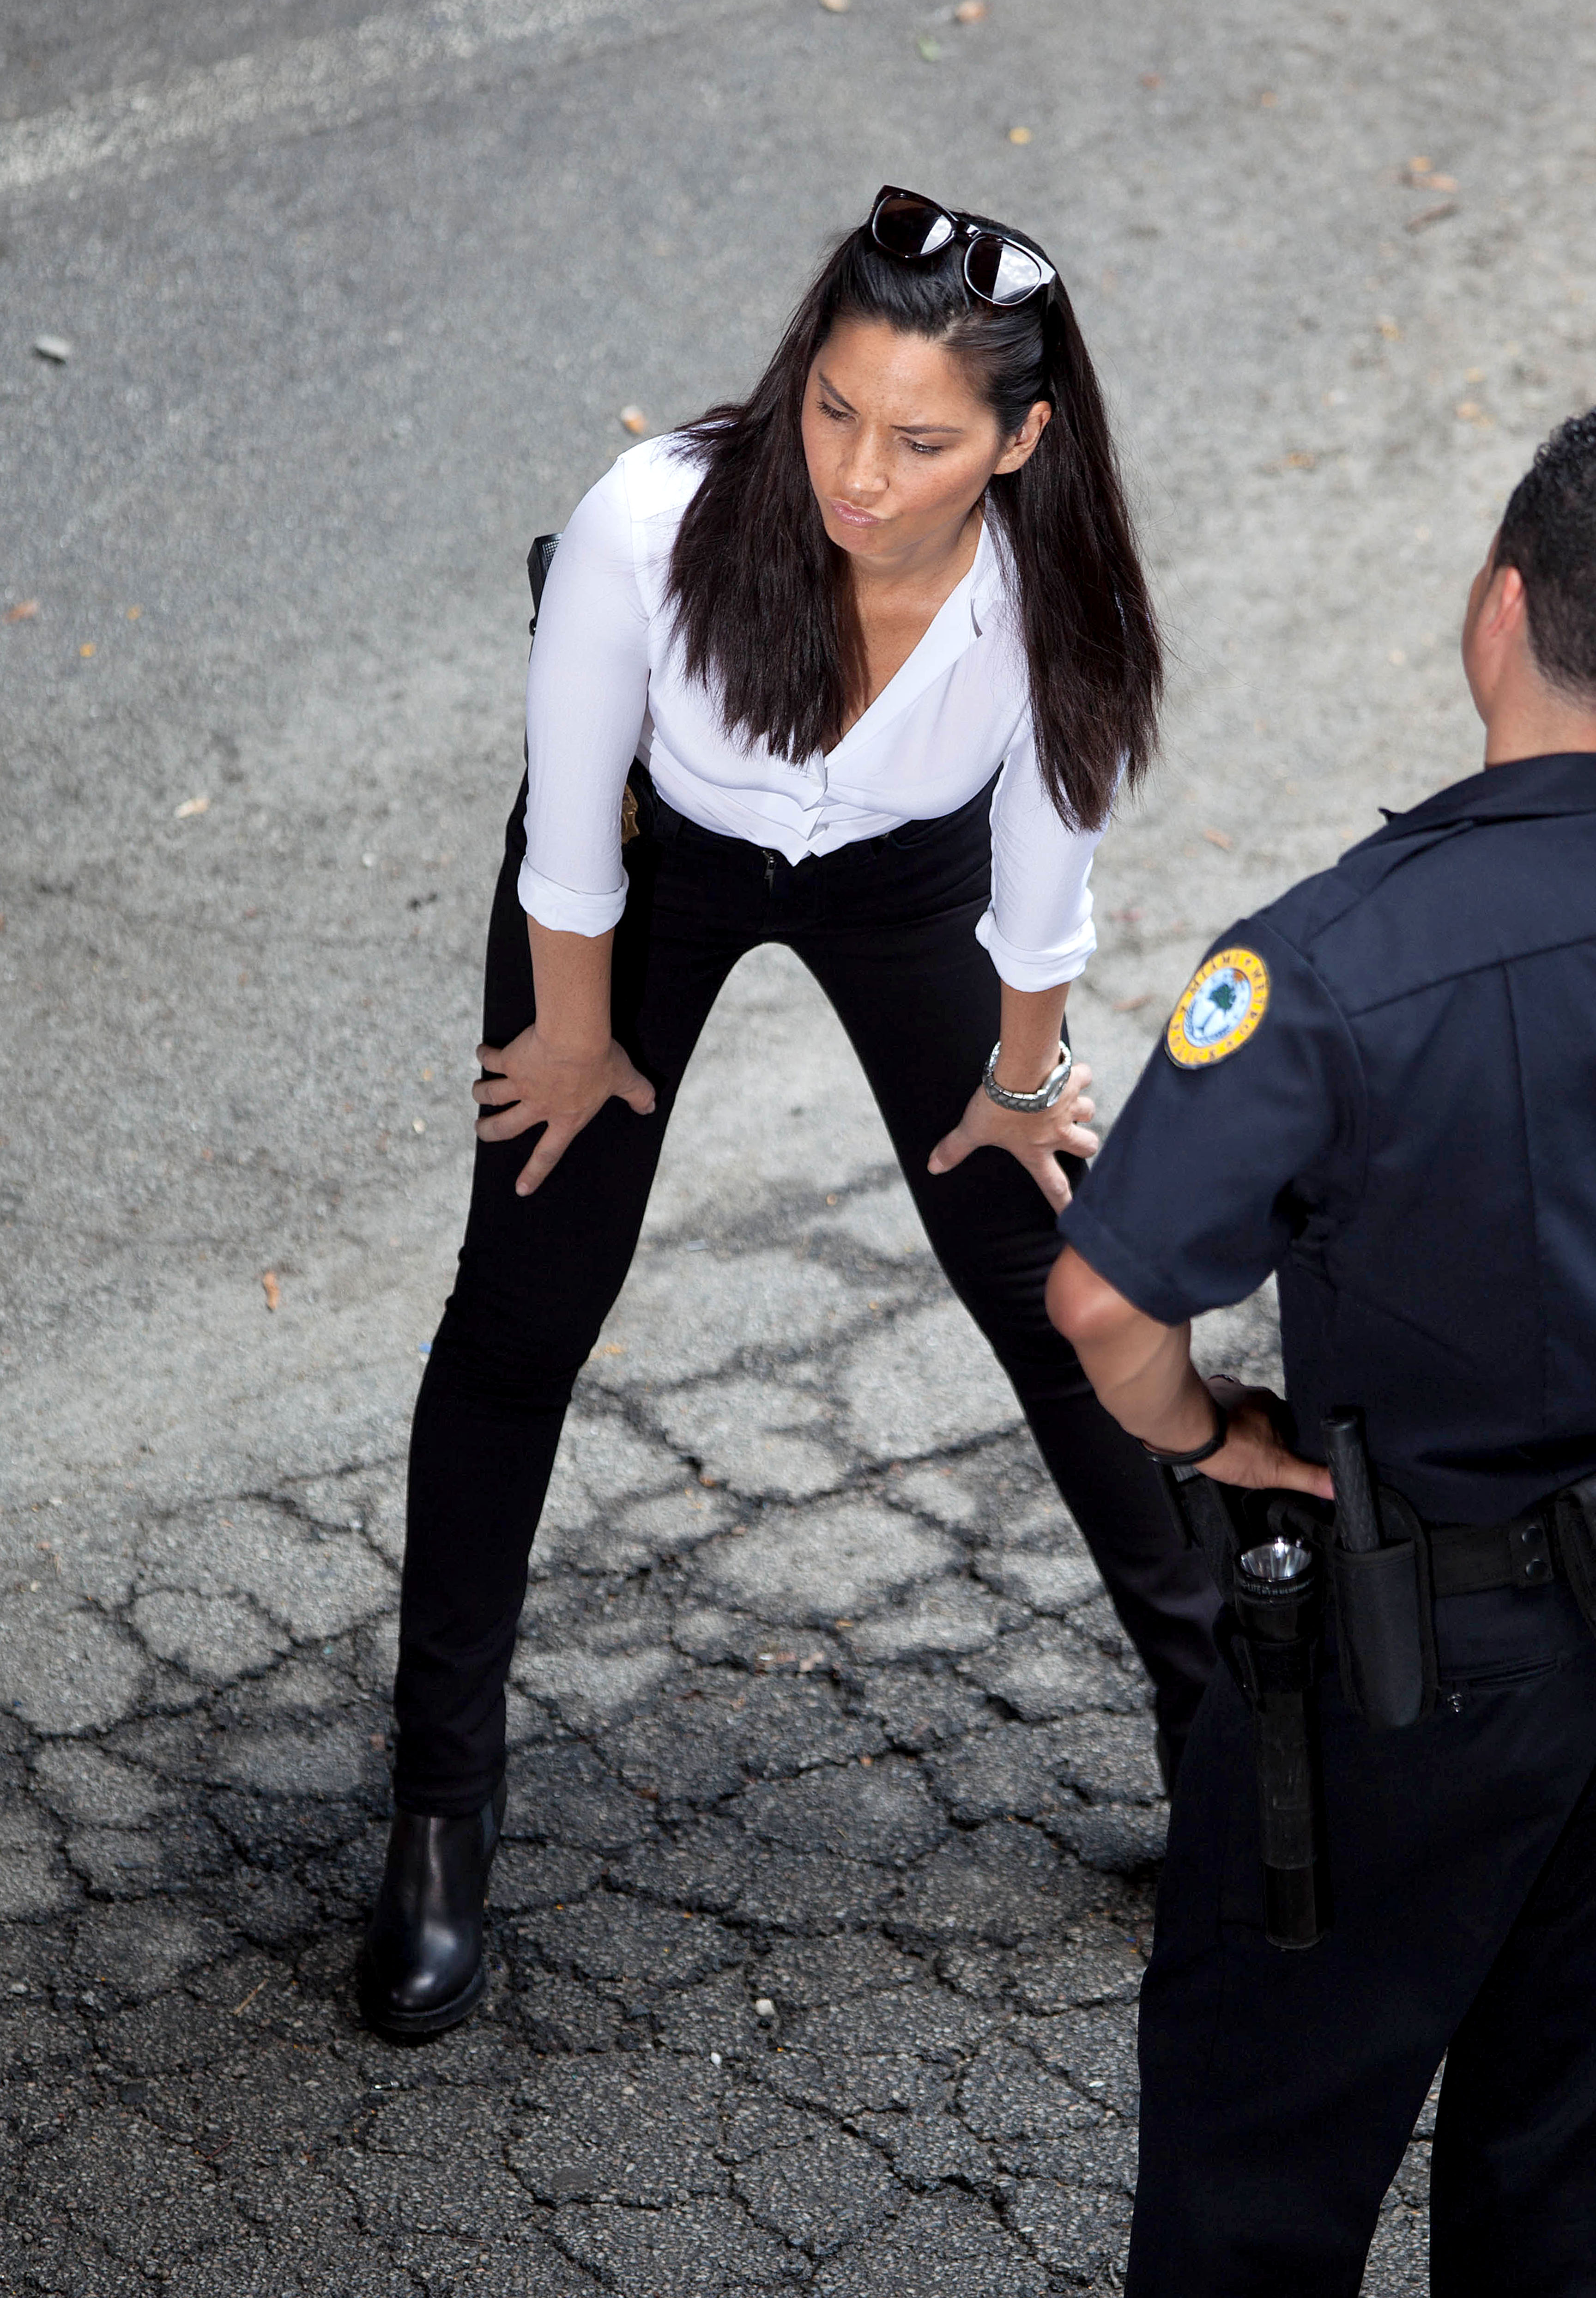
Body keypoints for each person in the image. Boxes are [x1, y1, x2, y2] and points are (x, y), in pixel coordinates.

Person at [357, 185, 1219, 2044]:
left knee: (1059, 1288)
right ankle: (438, 1811)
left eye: (922, 440)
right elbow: (571, 827)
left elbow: (1044, 874)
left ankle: (1227, 1747)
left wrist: (1023, 1083)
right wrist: (571, 1044)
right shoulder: (651, 518)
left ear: (1020, 440)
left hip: (905, 886)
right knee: (522, 1309)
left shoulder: (1047, 594)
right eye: (834, 409)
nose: (859, 474)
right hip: (647, 873)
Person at [1047, 409, 1596, 2295]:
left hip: (1416, 1659)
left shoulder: (1337, 962)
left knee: (1262, 2163)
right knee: (1569, 2174)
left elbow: (1106, 1303)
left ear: (1498, 611)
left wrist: (1211, 1436)